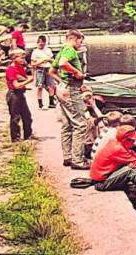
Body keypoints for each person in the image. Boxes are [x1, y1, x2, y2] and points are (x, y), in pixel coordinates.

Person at [49, 29, 89, 169]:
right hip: (71, 91)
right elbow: (62, 64)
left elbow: (51, 71)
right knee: (80, 124)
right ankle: (77, 161)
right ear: (75, 39)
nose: (80, 44)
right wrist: (77, 73)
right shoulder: (70, 50)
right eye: (80, 41)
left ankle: (67, 157)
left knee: (67, 125)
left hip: (63, 89)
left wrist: (62, 82)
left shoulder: (61, 50)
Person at [5, 48, 34, 142]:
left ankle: (28, 135)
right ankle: (16, 138)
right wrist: (28, 81)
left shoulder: (20, 67)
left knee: (27, 116)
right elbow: (16, 85)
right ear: (14, 58)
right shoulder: (11, 69)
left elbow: (23, 78)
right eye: (21, 57)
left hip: (21, 94)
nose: (23, 60)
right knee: (15, 117)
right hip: (14, 94)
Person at [30, 35, 56, 109]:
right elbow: (32, 64)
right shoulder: (35, 52)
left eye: (43, 43)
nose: (42, 45)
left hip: (48, 69)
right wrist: (41, 61)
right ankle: (40, 103)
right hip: (40, 69)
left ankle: (51, 102)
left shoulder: (48, 50)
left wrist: (49, 60)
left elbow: (53, 60)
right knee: (40, 87)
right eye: (40, 43)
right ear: (37, 43)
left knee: (51, 86)